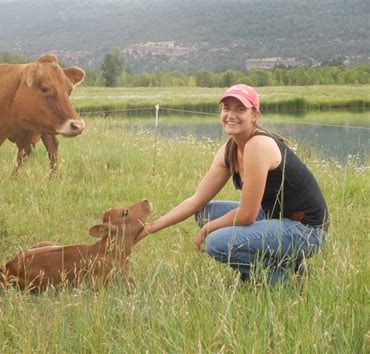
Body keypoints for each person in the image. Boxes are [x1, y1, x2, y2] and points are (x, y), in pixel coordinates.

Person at [137, 84, 329, 284]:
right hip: (275, 218)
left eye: (240, 109)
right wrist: (150, 227)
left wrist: (207, 229)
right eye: (226, 108)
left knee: (216, 242)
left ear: (255, 115)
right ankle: (282, 264)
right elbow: (196, 201)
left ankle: (279, 279)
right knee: (205, 212)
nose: (231, 115)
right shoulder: (230, 150)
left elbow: (247, 215)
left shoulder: (259, 145)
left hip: (307, 231)